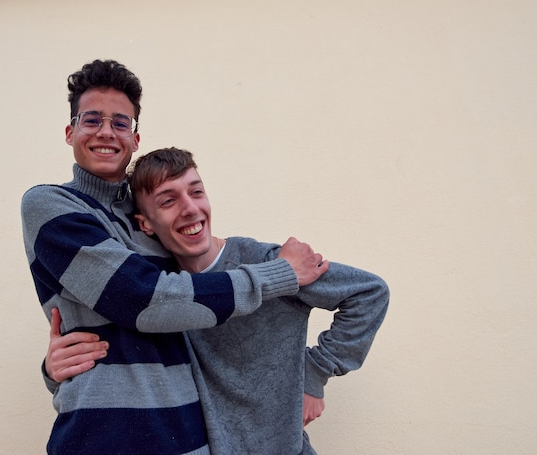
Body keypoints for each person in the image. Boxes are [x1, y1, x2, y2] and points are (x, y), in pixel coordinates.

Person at [21, 59, 327, 455]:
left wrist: (308, 374)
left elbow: (194, 300)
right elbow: (143, 300)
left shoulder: (152, 215)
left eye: (120, 123)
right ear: (70, 132)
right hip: (101, 437)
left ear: (135, 138)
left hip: (188, 436)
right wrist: (278, 274)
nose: (106, 133)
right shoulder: (51, 204)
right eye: (92, 120)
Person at [46, 147, 390, 454]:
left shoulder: (268, 263)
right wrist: (53, 370)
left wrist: (315, 374)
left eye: (196, 192)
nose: (190, 209)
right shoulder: (160, 294)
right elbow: (124, 355)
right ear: (145, 224)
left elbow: (368, 292)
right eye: (169, 201)